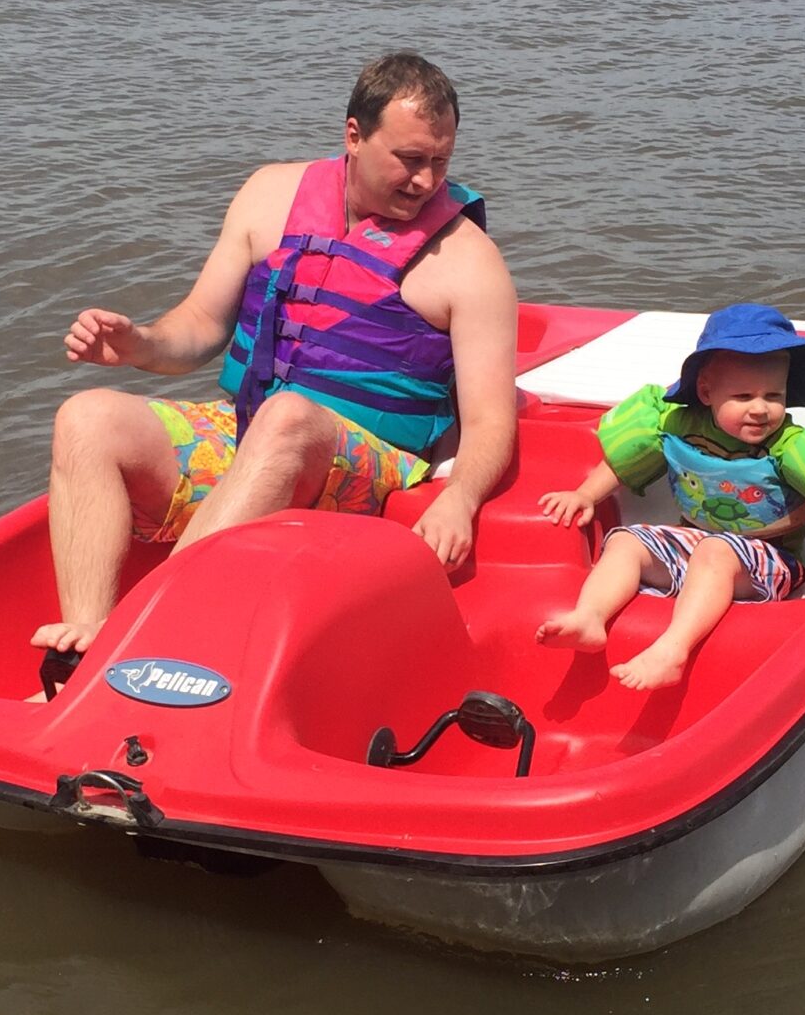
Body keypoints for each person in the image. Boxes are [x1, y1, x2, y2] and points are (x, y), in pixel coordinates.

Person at [31, 53, 518, 677]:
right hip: (252, 432)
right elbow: (202, 325)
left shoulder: (469, 262)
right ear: (353, 136)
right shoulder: (269, 195)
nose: (425, 181)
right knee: (86, 416)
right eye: (409, 159)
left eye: (440, 161)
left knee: (287, 417)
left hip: (371, 465)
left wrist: (461, 499)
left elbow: (490, 422)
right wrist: (140, 344)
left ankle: (145, 646)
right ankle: (82, 649)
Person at [534, 304, 805, 692]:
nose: (760, 409)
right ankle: (590, 617)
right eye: (743, 396)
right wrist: (585, 494)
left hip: (771, 561)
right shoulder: (676, 425)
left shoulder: (791, 445)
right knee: (627, 540)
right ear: (707, 392)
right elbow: (625, 461)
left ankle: (673, 651)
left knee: (716, 552)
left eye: (773, 395)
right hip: (698, 543)